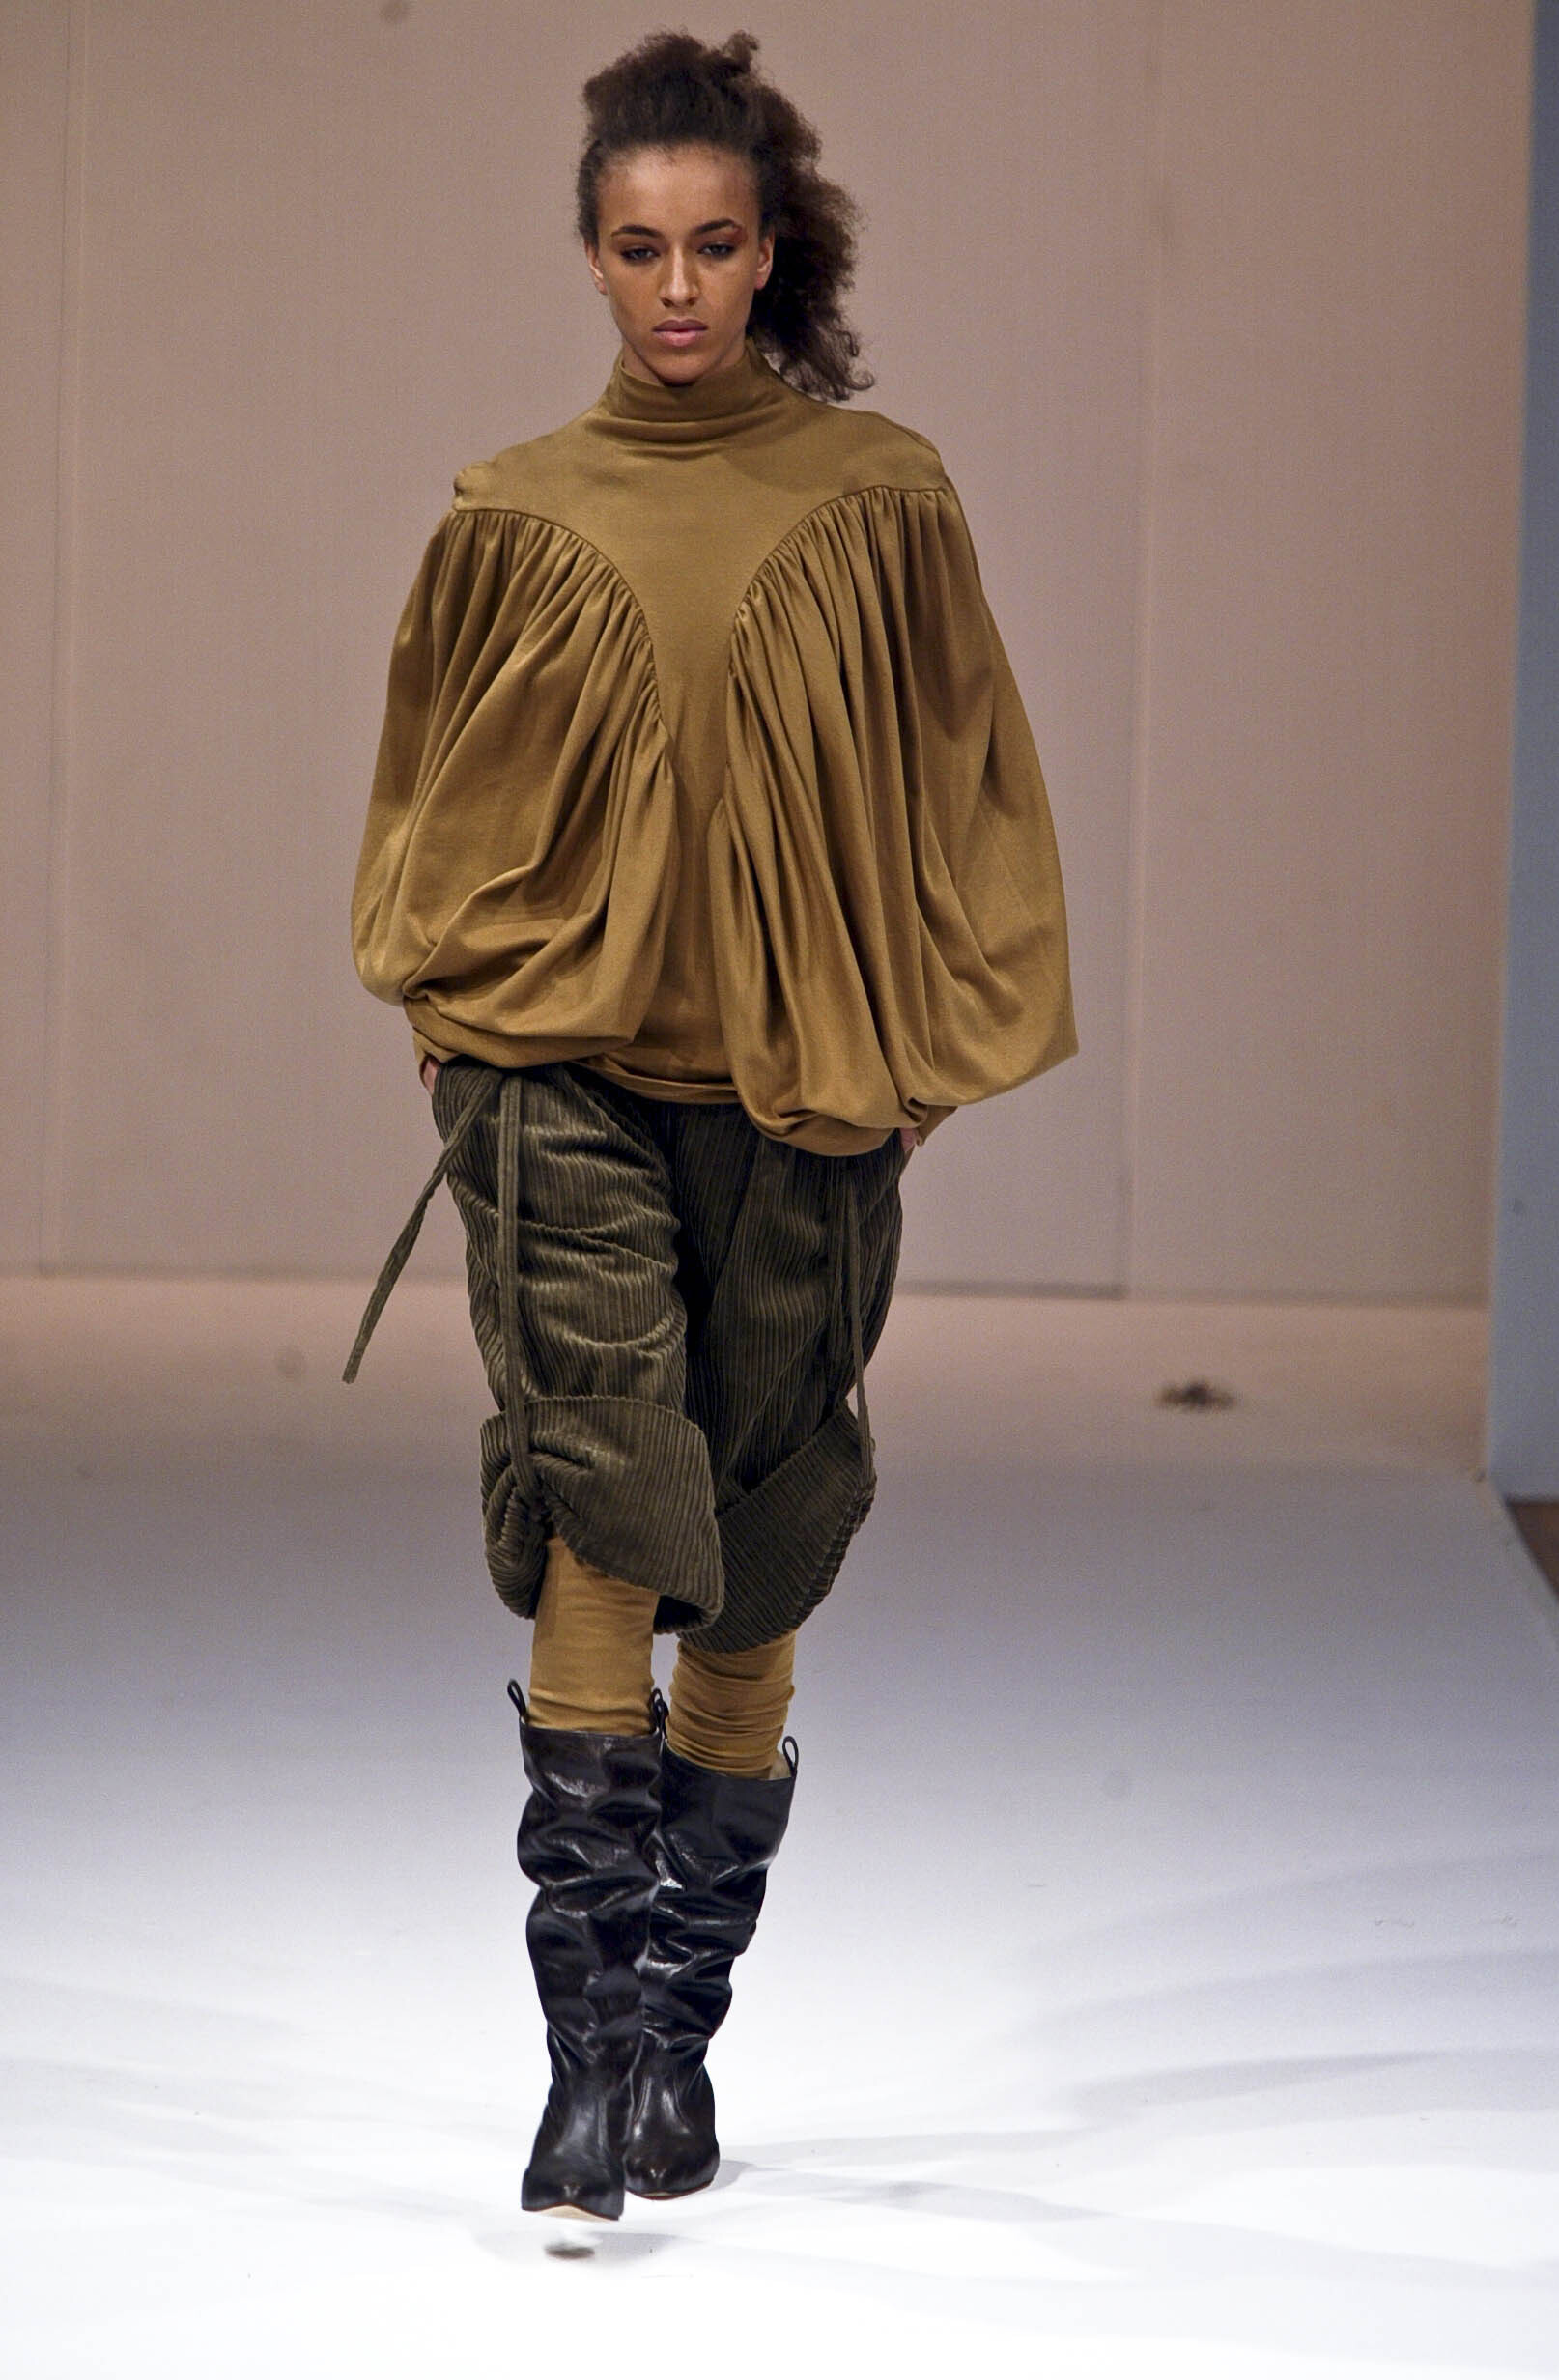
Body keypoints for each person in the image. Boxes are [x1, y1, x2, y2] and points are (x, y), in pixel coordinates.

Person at [345, 27, 1076, 2224]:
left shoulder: (880, 501)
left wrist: (916, 1064)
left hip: (801, 1098)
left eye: (715, 245)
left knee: (754, 1548)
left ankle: (675, 2044)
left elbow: (968, 787)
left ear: (771, 252)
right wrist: (458, 1033)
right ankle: (580, 2076)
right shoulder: (512, 514)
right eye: (640, 248)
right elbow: (428, 794)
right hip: (557, 1085)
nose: (678, 286)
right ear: (590, 256)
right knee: (608, 1495)